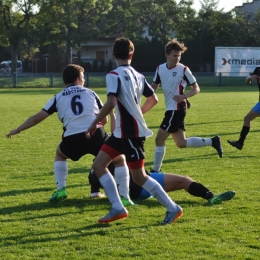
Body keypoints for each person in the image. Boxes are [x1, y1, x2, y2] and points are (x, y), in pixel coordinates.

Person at [86, 37, 183, 224]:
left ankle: (173, 208)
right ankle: (117, 207)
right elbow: (153, 99)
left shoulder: (113, 75)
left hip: (131, 133)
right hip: (121, 133)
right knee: (99, 166)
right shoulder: (138, 75)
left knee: (139, 177)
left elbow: (111, 102)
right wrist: (138, 113)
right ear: (132, 54)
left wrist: (94, 123)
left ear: (113, 55)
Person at [6, 64, 133, 205]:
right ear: (78, 78)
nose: (84, 81)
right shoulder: (90, 93)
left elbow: (37, 118)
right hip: (95, 133)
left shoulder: (57, 97)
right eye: (83, 78)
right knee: (119, 159)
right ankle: (124, 196)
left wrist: (18, 129)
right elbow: (104, 119)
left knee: (60, 154)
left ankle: (61, 189)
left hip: (72, 138)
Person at [151, 39, 223, 173]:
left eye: (179, 55)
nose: (177, 58)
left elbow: (196, 88)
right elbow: (153, 87)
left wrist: (183, 96)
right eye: (174, 55)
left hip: (177, 109)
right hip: (171, 109)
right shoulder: (160, 69)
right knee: (181, 143)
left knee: (159, 138)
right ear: (167, 55)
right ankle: (213, 141)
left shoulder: (183, 69)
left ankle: (155, 170)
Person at [88, 163, 235, 205]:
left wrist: (106, 194)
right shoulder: (121, 151)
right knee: (184, 180)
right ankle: (210, 196)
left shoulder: (93, 171)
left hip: (131, 194)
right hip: (143, 184)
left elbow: (95, 195)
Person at [228, 67, 260, 150]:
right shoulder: (258, 70)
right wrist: (249, 78)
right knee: (247, 118)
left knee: (247, 118)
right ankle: (240, 143)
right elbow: (247, 82)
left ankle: (240, 142)